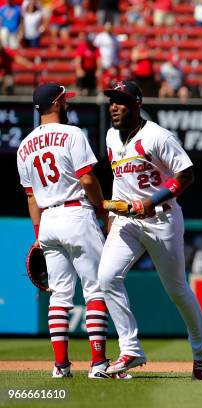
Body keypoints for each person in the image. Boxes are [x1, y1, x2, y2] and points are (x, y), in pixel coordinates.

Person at [98, 81, 202, 379]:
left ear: (136, 104)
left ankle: (201, 351)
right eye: (111, 101)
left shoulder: (158, 136)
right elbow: (118, 182)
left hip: (162, 218)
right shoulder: (111, 137)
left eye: (120, 101)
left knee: (176, 288)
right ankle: (130, 349)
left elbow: (185, 175)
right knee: (107, 277)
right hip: (126, 220)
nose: (114, 106)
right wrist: (112, 221)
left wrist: (153, 200)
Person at [16, 83, 127, 380]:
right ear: (56, 103)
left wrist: (38, 235)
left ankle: (61, 366)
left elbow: (30, 197)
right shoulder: (72, 133)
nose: (67, 103)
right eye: (64, 100)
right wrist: (103, 210)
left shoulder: (24, 145)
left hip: (48, 220)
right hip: (76, 213)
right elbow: (87, 179)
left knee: (60, 296)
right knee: (96, 289)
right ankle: (99, 364)